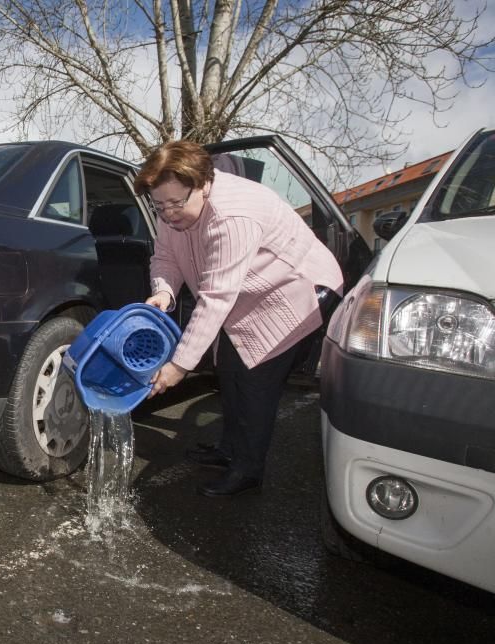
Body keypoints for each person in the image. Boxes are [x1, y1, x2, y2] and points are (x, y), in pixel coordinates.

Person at [133, 140, 343, 497]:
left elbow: (216, 297)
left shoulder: (233, 216)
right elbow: (165, 256)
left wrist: (177, 368)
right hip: (247, 292)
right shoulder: (172, 204)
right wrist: (163, 292)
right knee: (228, 367)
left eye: (175, 204)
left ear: (203, 184)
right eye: (159, 205)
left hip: (297, 289)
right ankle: (229, 448)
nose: (167, 213)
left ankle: (248, 470)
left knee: (254, 377)